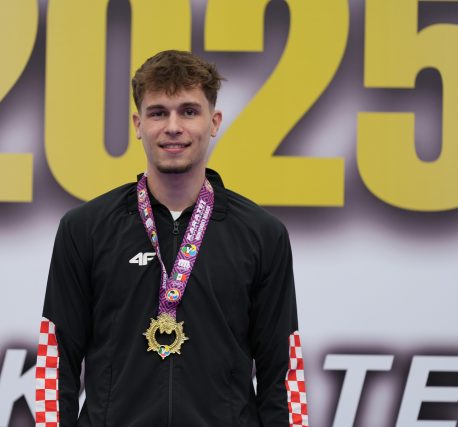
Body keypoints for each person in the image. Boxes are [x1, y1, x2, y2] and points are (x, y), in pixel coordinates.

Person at [36, 50, 307, 427]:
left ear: (214, 122)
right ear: (138, 124)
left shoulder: (262, 235)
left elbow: (283, 373)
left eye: (189, 111)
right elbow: (55, 360)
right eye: (158, 113)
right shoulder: (85, 229)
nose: (173, 127)